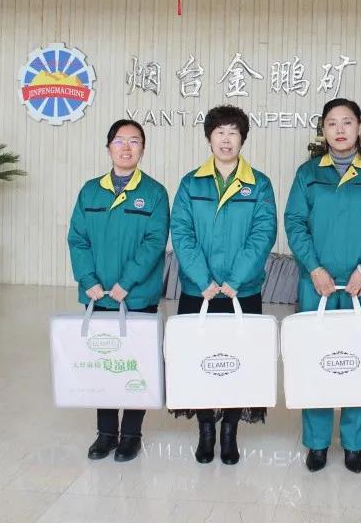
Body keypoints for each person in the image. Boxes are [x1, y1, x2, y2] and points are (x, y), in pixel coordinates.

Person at [284, 98, 361, 474]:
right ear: (323, 129)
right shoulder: (308, 173)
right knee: (316, 360)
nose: (339, 129)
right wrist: (314, 268)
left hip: (360, 284)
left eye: (347, 122)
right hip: (315, 283)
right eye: (332, 123)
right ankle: (317, 443)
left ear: (359, 127)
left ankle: (354, 444)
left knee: (358, 361)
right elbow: (295, 223)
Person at [170, 105, 278, 464]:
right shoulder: (191, 183)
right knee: (200, 360)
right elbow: (181, 233)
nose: (226, 139)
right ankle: (205, 429)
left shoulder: (259, 184)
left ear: (242, 139)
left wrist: (235, 280)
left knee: (237, 361)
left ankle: (230, 430)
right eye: (220, 132)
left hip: (241, 291)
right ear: (209, 138)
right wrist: (203, 280)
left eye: (233, 132)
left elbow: (263, 234)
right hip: (197, 290)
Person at [68, 119, 169, 463]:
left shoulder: (154, 193)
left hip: (136, 295)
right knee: (104, 363)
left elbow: (154, 242)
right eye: (119, 141)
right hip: (98, 296)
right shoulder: (90, 191)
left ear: (143, 149)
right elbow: (78, 239)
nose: (126, 148)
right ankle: (106, 433)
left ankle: (132, 435)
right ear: (108, 147)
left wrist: (126, 282)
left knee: (136, 366)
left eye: (134, 141)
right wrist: (88, 280)